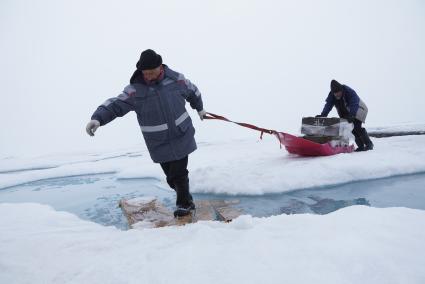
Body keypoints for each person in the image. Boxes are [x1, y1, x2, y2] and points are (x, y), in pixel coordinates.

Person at [85, 49, 206, 217]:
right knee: (172, 178)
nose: (148, 76)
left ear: (160, 68)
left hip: (181, 134)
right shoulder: (136, 90)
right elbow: (116, 104)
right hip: (159, 142)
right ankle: (186, 198)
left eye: (151, 72)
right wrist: (98, 119)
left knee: (179, 173)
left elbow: (193, 91)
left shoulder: (176, 80)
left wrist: (200, 108)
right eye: (145, 73)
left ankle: (185, 205)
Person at [316, 79, 374, 151]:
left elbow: (354, 103)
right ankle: (361, 146)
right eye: (335, 93)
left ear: (341, 90)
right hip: (347, 112)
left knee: (357, 126)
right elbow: (328, 105)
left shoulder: (349, 91)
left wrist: (352, 115)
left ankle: (369, 144)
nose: (337, 94)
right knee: (352, 129)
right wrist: (323, 115)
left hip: (359, 109)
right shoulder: (332, 95)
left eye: (338, 92)